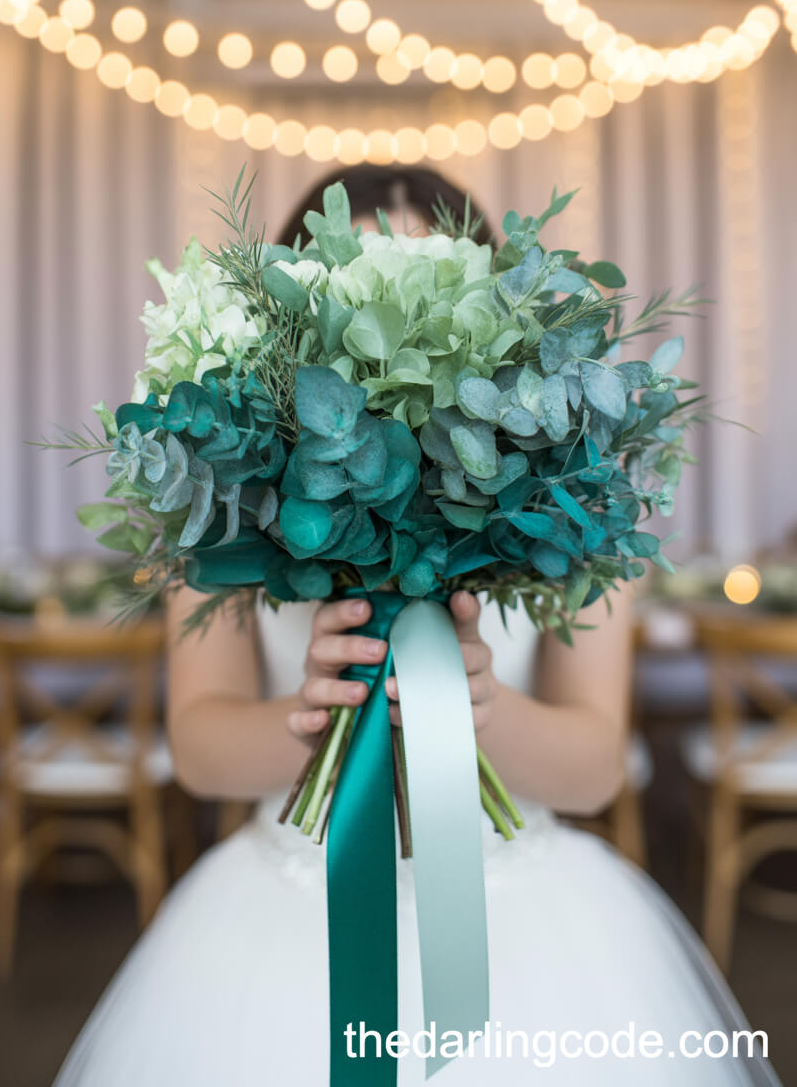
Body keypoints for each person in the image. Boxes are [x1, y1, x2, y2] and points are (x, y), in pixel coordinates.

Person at [55, 169, 780, 1086]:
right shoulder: (219, 489)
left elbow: (596, 770)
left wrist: (477, 707)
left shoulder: (573, 491)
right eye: (348, 275)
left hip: (524, 915)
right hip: (280, 909)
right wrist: (309, 718)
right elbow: (198, 751)